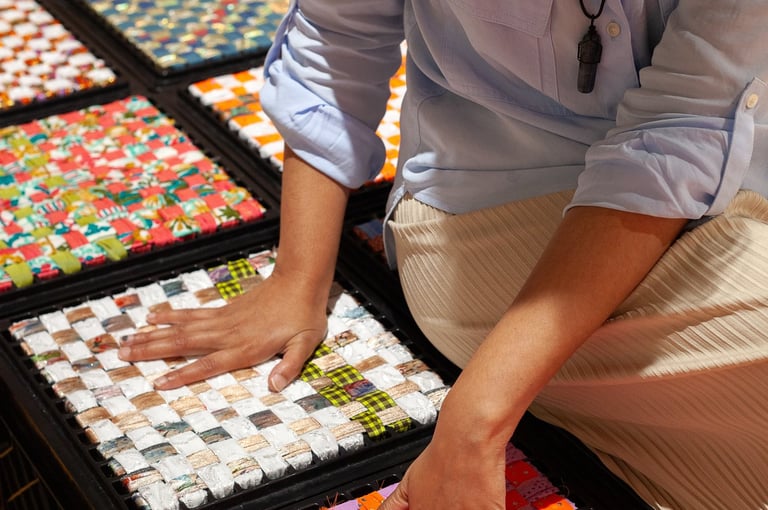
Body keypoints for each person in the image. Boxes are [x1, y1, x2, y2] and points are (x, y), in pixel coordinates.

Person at [118, 1, 768, 508]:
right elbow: (336, 39)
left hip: (733, 186)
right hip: (495, 210)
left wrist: (475, 419)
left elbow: (690, 120)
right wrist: (297, 276)